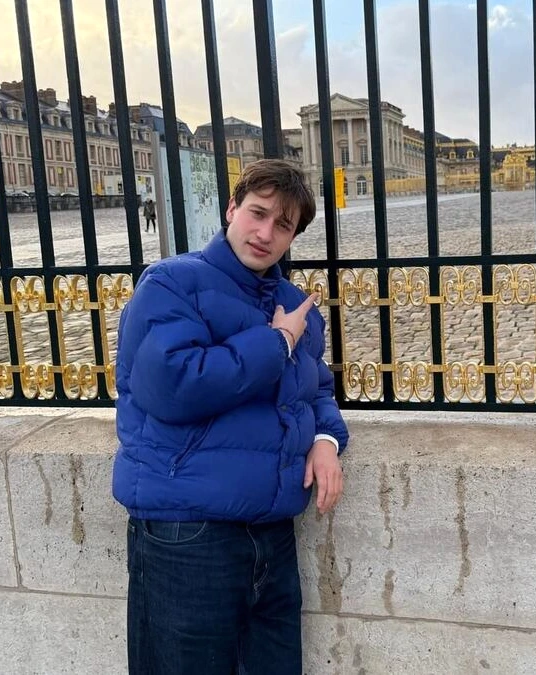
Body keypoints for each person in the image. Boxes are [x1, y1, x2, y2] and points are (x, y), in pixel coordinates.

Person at [112, 159, 347, 674]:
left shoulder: (294, 305)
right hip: (188, 531)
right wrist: (276, 342)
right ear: (231, 209)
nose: (265, 234)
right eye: (257, 214)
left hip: (271, 532)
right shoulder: (171, 283)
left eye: (282, 225)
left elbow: (316, 389)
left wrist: (327, 441)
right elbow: (173, 386)